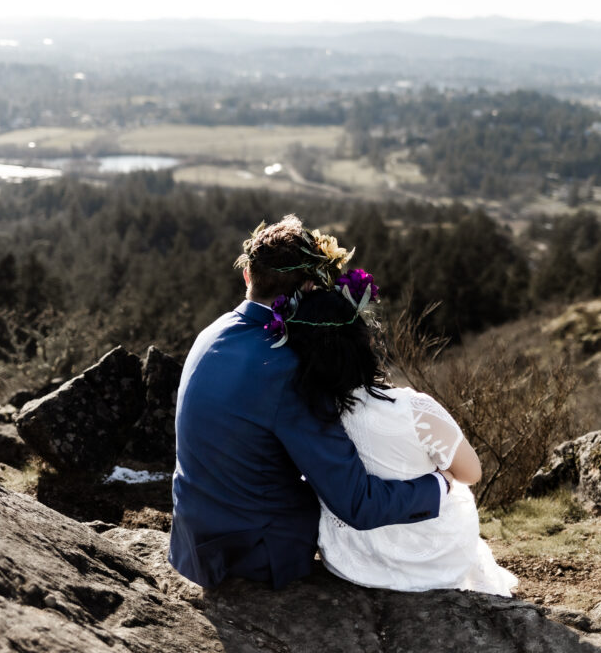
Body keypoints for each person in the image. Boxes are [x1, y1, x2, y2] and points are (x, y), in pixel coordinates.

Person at [168, 216, 450, 591]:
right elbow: (357, 504)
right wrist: (440, 486)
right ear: (308, 287)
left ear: (248, 276)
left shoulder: (211, 332)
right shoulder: (286, 368)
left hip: (194, 540)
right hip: (255, 555)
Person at [284, 282, 517, 596]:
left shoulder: (305, 417)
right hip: (432, 559)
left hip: (351, 558)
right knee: (456, 489)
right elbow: (472, 473)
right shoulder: (413, 409)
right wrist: (443, 479)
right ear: (363, 342)